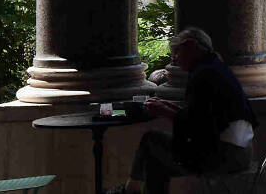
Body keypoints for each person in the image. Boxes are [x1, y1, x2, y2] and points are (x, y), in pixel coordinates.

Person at [107, 28, 256, 194]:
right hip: (240, 151)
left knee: (151, 140)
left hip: (225, 155)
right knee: (156, 158)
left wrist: (164, 111)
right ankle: (131, 188)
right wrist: (167, 106)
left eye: (177, 51)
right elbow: (203, 115)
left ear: (191, 46)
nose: (174, 59)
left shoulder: (204, 75)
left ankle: (130, 189)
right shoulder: (215, 69)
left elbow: (198, 125)